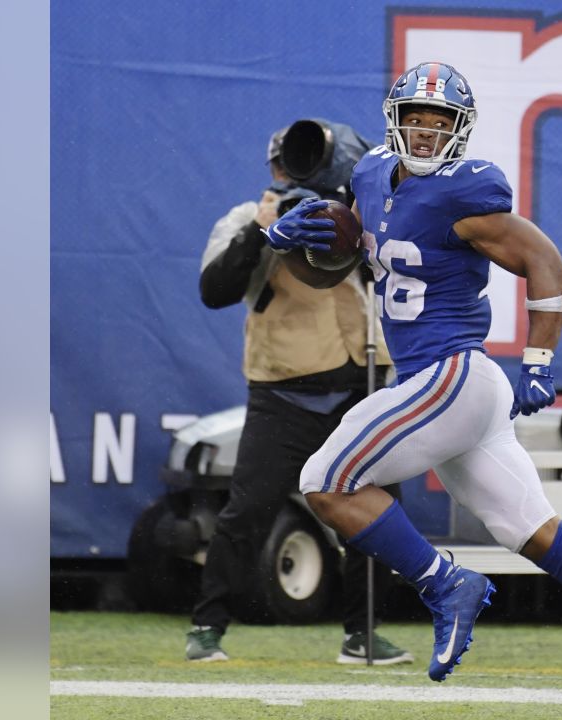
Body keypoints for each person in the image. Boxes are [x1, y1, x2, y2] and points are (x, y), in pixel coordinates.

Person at [264, 62, 562, 720]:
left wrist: (538, 358)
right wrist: (299, 240)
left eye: (439, 121)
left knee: (326, 480)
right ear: (396, 119)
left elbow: (543, 261)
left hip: (450, 376)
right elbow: (360, 254)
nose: (425, 131)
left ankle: (444, 584)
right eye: (416, 117)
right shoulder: (366, 175)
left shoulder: (463, 192)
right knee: (529, 528)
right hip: (437, 386)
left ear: (459, 130)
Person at [186, 125, 412, 666]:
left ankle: (363, 635)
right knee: (248, 512)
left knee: (374, 513)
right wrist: (264, 230)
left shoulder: (356, 218)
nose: (296, 178)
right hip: (283, 393)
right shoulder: (245, 218)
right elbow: (213, 290)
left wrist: (354, 220)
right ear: (273, 170)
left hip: (360, 387)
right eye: (287, 168)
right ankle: (207, 628)